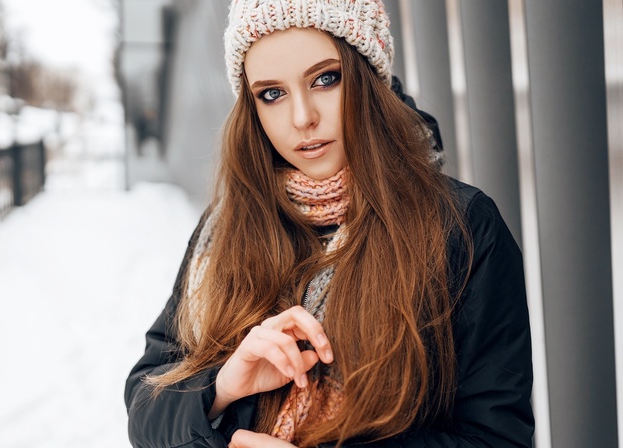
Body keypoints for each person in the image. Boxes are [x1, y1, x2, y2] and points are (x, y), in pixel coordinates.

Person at [124, 1, 534, 446]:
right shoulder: (225, 227)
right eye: (272, 94)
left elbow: (497, 437)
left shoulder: (459, 228)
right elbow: (146, 402)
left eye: (325, 79)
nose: (302, 118)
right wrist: (221, 388)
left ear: (367, 78)